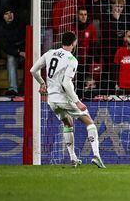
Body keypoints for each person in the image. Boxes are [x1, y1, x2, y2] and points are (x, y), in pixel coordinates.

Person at [29, 31, 105, 168]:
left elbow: (33, 70)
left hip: (52, 100)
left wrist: (42, 83)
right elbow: (66, 83)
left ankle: (73, 158)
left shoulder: (50, 52)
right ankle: (96, 156)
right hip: (64, 97)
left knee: (68, 123)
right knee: (89, 121)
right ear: (74, 43)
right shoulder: (71, 59)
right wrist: (77, 101)